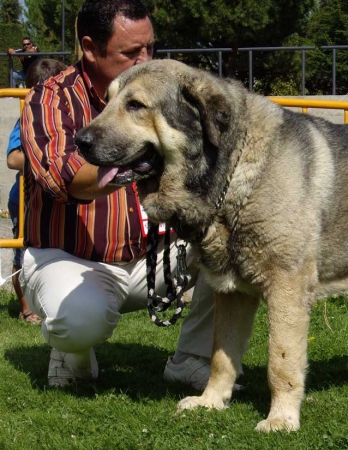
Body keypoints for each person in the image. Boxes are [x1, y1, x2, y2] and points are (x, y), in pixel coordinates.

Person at [20, 0, 214, 389]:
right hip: (72, 261)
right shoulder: (50, 98)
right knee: (79, 320)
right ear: (90, 48)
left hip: (157, 256)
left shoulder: (169, 94)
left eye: (150, 48)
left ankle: (192, 360)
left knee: (228, 249)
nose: (145, 60)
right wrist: (135, 165)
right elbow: (66, 177)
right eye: (131, 52)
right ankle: (71, 351)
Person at [6, 58, 68, 325]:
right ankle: (26, 308)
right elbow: (13, 160)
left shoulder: (69, 118)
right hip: (26, 200)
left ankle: (58, 303)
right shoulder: (27, 117)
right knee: (24, 253)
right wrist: (49, 157)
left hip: (58, 198)